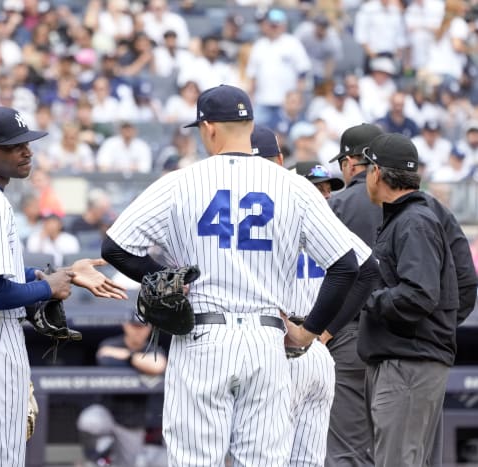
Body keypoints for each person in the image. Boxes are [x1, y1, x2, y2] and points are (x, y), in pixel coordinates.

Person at [101, 85, 368, 466]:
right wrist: (309, 332)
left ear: (209, 128)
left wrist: (168, 277)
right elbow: (347, 266)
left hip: (202, 333)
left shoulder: (182, 181)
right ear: (250, 123)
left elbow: (114, 247)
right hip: (267, 339)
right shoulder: (293, 185)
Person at [0, 106, 128, 467]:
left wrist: (60, 274)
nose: (27, 152)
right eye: (13, 146)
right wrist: (48, 289)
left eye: (27, 142)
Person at [252, 126, 373, 467]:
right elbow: (366, 270)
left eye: (326, 189)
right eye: (314, 188)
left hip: (294, 345)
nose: (323, 196)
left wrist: (321, 332)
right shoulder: (320, 230)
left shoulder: (276, 228)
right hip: (308, 349)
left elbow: (367, 271)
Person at [357, 133, 465, 466]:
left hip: (408, 363)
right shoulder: (410, 218)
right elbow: (464, 284)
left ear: (376, 172)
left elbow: (419, 295)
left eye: (366, 169)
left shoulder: (414, 221)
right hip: (406, 360)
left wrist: (367, 299)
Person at [325, 123, 383, 467]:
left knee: (347, 449)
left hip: (349, 333)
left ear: (349, 163)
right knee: (395, 448)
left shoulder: (337, 204)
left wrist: (325, 329)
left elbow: (323, 276)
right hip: (405, 337)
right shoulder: (421, 202)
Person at [76, 313, 168, 467]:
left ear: (150, 328)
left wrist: (127, 357)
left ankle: (107, 455)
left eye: (142, 327)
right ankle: (96, 458)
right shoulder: (112, 343)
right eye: (134, 326)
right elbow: (104, 356)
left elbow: (158, 365)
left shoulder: (153, 348)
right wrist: (139, 363)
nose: (138, 331)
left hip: (133, 424)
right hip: (107, 415)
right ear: (126, 325)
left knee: (129, 463)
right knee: (90, 421)